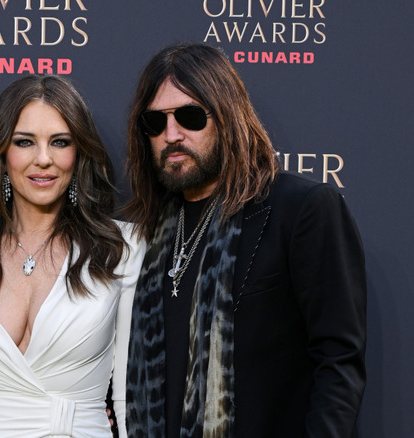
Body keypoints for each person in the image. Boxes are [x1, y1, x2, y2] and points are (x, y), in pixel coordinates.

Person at [121, 42, 366, 438]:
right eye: (155, 122)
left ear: (226, 116)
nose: (171, 134)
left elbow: (338, 362)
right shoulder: (148, 234)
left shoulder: (299, 209)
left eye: (190, 116)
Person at [0, 75, 145, 437]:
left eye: (60, 142)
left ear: (78, 154)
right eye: (25, 142)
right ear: (2, 151)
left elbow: (130, 398)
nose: (43, 159)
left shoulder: (123, 248)